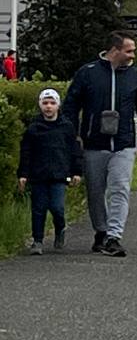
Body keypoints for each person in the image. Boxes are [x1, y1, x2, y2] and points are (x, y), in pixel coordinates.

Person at [63, 32, 137, 257]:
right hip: (94, 144)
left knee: (120, 188)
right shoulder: (88, 73)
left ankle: (114, 236)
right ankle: (101, 231)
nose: (133, 54)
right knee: (95, 191)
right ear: (115, 50)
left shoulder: (135, 76)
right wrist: (74, 135)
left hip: (123, 144)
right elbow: (71, 106)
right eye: (129, 50)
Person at [17, 89, 82, 254]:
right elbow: (26, 153)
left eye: (52, 103)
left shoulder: (66, 127)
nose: (48, 107)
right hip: (38, 175)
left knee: (57, 207)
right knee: (38, 209)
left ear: (58, 106)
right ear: (40, 105)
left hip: (59, 175)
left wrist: (76, 172)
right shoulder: (34, 129)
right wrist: (23, 174)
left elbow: (74, 150)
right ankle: (37, 241)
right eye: (45, 103)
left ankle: (60, 227)